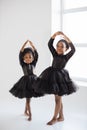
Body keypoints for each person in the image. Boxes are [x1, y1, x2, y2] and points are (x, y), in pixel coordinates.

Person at [32, 31, 78, 125]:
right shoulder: (55, 54)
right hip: (51, 76)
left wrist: (66, 37)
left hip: (60, 78)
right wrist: (54, 36)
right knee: (58, 98)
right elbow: (49, 44)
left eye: (62, 46)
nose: (59, 48)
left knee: (58, 99)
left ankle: (54, 118)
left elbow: (73, 49)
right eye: (58, 46)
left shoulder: (66, 57)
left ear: (66, 49)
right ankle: (61, 116)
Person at [9, 40, 42, 121]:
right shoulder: (23, 64)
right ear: (23, 58)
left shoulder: (34, 63)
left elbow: (37, 55)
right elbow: (20, 54)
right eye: (26, 57)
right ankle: (30, 114)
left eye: (30, 57)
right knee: (28, 99)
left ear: (33, 58)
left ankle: (25, 111)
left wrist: (33, 46)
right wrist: (24, 45)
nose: (28, 59)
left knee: (28, 98)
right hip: (25, 82)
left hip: (34, 81)